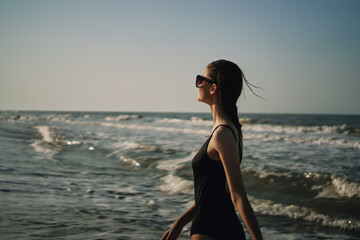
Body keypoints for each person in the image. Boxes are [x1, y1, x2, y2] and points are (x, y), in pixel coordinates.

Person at [161, 60, 263, 240]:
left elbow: (237, 195)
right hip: (225, 227)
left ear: (213, 88)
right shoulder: (231, 130)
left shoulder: (222, 133)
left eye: (201, 79)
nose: (197, 83)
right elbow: (211, 193)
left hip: (209, 228)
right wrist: (180, 223)